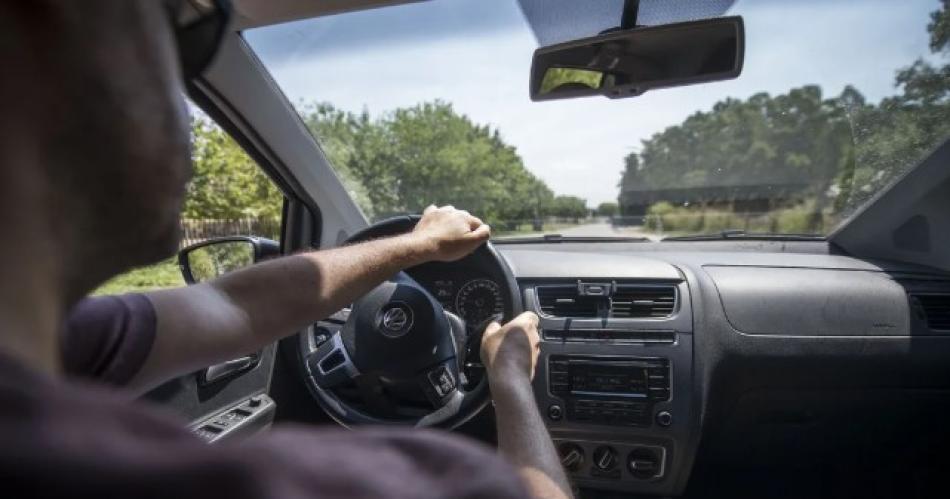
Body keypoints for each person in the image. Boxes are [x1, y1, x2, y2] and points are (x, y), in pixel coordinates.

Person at [0, 1, 571, 498]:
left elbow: (236, 308)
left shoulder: (71, 340)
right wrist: (511, 383)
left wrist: (416, 246)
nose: (186, 106)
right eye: (185, 31)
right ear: (49, 23)